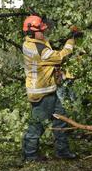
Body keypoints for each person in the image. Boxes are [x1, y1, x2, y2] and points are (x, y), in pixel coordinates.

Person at [21, 15, 82, 161]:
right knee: (37, 125)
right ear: (32, 32)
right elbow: (61, 56)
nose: (44, 32)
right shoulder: (40, 50)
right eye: (41, 30)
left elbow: (47, 52)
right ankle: (30, 156)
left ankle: (62, 151)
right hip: (42, 93)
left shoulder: (30, 43)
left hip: (48, 90)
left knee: (61, 119)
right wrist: (71, 40)